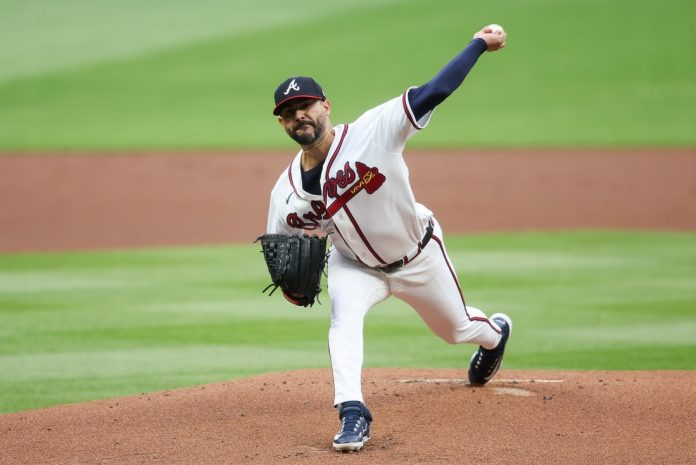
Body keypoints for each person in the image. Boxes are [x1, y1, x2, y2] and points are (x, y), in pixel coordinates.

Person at [265, 25, 511, 452]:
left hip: (418, 255)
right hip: (354, 265)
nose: (298, 116)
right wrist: (290, 287)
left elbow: (433, 92)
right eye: (288, 113)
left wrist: (478, 45)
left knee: (456, 329)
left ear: (325, 106)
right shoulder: (284, 191)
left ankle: (495, 336)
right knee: (343, 321)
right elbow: (279, 246)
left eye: (305, 105)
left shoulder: (373, 131)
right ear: (282, 124)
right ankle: (352, 412)